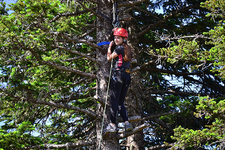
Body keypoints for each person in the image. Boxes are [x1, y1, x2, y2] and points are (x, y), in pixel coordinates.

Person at [104, 28, 133, 134]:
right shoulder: (128, 48)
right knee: (120, 103)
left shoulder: (120, 48)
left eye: (118, 38)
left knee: (114, 101)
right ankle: (126, 123)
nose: (116, 39)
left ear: (123, 39)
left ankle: (112, 124)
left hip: (118, 75)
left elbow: (109, 58)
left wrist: (109, 48)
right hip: (127, 77)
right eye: (115, 38)